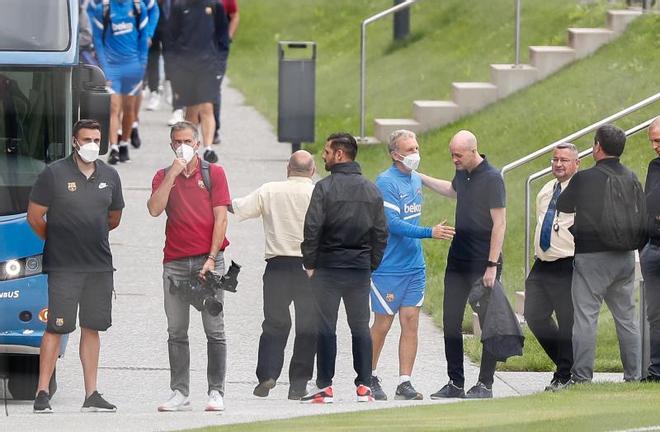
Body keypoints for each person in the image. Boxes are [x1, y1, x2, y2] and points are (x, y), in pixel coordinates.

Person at [27, 119, 124, 413]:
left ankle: (91, 393)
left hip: (98, 267)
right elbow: (35, 216)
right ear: (74, 142)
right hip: (64, 266)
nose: (92, 144)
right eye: (87, 139)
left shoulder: (110, 175)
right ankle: (42, 391)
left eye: (96, 139)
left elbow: (114, 217)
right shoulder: (53, 174)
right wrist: (57, 238)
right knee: (56, 326)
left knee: (92, 327)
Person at [147, 121, 231, 411]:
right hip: (175, 261)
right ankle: (180, 391)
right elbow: (155, 209)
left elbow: (221, 218)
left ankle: (216, 391)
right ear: (172, 145)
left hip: (209, 259)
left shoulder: (213, 173)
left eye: (187, 141)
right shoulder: (162, 175)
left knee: (214, 328)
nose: (182, 145)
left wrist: (211, 258)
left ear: (197, 144)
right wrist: (173, 171)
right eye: (177, 141)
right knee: (176, 329)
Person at [300, 133, 388, 404]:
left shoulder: (324, 188)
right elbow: (381, 234)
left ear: (340, 155)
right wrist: (369, 264)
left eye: (327, 151)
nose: (323, 155)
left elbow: (312, 229)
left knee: (326, 327)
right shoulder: (371, 189)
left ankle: (325, 386)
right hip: (359, 268)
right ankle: (364, 386)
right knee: (360, 327)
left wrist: (310, 263)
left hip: (328, 267)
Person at [418, 130, 506, 399]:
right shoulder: (462, 173)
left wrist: (492, 265)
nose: (454, 159)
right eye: (451, 154)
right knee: (451, 320)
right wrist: (418, 177)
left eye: (458, 155)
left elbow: (500, 224)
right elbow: (452, 190)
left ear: (473, 150)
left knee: (488, 322)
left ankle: (485, 384)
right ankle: (455, 382)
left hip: (483, 262)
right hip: (457, 259)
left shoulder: (492, 178)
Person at [369, 130, 454, 401]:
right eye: (409, 150)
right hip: (388, 267)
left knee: (411, 322)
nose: (415, 154)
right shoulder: (385, 182)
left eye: (417, 147)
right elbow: (392, 224)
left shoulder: (415, 178)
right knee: (382, 324)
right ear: (395, 154)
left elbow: (449, 189)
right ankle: (368, 376)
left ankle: (404, 382)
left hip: (414, 266)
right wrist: (430, 232)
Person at [556, 124, 641, 384]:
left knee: (585, 318)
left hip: (591, 256)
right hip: (626, 256)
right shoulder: (631, 176)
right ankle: (634, 376)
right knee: (627, 319)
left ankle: (582, 377)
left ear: (597, 147)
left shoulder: (585, 178)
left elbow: (563, 204)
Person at [231, 150, 317, 400]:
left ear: (288, 169)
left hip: (277, 265)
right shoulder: (318, 192)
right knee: (307, 326)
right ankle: (298, 384)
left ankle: (267, 374)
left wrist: (213, 197)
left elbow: (238, 208)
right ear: (312, 171)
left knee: (274, 323)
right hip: (310, 268)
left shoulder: (269, 190)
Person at [524, 143, 580, 391]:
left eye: (564, 160)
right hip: (543, 262)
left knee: (567, 320)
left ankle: (564, 374)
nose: (558, 164)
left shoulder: (581, 190)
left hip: (567, 262)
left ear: (576, 164)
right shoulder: (547, 189)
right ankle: (566, 363)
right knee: (533, 314)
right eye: (555, 159)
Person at [88, 0, 158, 164]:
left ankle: (124, 143)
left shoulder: (138, 7)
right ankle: (114, 148)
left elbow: (143, 38)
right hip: (113, 68)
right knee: (113, 107)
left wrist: (142, 62)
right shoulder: (103, 9)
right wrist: (104, 67)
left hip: (133, 66)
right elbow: (98, 41)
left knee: (129, 109)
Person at [169, 0, 229, 163]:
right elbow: (171, 38)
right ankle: (189, 147)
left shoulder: (215, 6)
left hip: (208, 66)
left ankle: (208, 148)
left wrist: (219, 63)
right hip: (185, 67)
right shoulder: (179, 7)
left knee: (207, 105)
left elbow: (223, 37)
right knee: (192, 109)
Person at [640, 116, 660, 381]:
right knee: (655, 315)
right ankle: (656, 370)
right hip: (653, 248)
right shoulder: (654, 166)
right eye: (653, 141)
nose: (656, 146)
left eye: (659, 140)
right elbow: (649, 205)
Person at [212, 0, 239, 145]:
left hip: (218, 50)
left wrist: (229, 36)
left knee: (214, 88)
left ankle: (214, 129)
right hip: (196, 50)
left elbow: (235, 15)